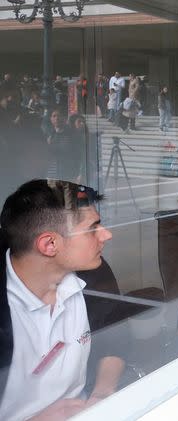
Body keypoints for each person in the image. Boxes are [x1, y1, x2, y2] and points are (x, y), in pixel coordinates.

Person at [0, 180, 122, 421]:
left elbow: (114, 340)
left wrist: (101, 397)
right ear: (49, 244)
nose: (107, 235)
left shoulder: (93, 273)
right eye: (92, 228)